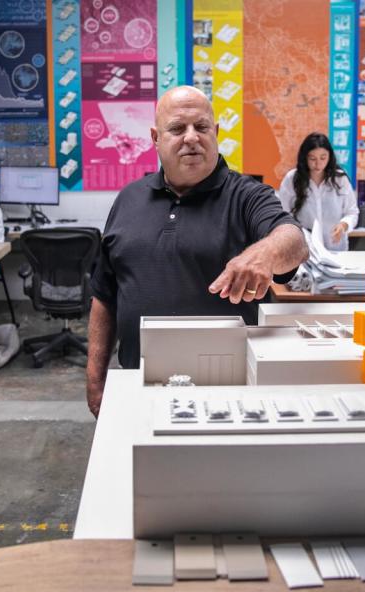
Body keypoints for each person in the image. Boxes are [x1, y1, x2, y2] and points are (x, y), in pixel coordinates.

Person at [86, 86, 308, 417]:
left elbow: (293, 240)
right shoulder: (128, 199)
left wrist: (265, 253)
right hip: (137, 383)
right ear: (155, 137)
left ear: (215, 133)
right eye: (177, 128)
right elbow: (105, 295)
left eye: (201, 127)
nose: (191, 137)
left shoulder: (247, 195)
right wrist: (95, 378)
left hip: (228, 390)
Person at [276, 132, 359, 250]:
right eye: (312, 158)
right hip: (303, 250)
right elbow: (283, 215)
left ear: (330, 156)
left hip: (336, 249)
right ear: (305, 158)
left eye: (323, 158)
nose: (318, 163)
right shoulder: (292, 179)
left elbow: (352, 212)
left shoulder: (340, 179)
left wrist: (344, 225)